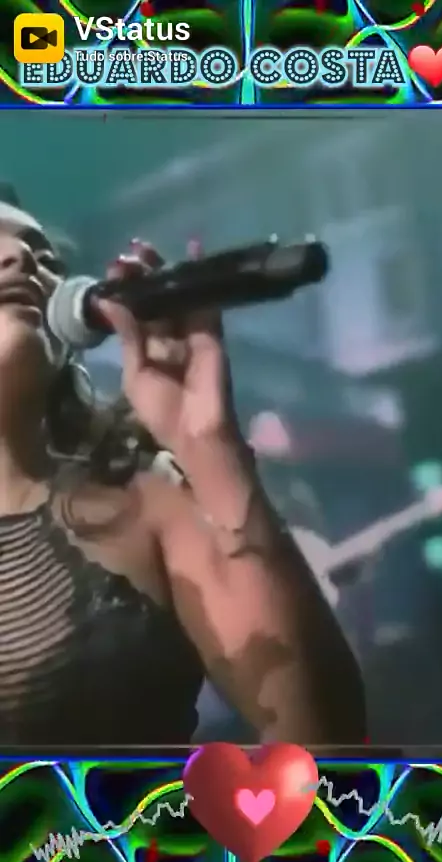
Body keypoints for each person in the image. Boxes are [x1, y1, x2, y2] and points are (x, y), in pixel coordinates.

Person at [0, 191, 365, 746]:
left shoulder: (144, 502)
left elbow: (323, 740)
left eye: (43, 255)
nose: (22, 258)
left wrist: (209, 444)